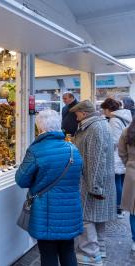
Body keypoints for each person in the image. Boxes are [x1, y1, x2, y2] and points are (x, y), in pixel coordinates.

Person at [15, 109, 83, 266]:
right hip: (70, 209)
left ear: (40, 128)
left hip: (46, 211)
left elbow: (21, 180)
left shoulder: (36, 150)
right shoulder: (73, 149)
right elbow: (79, 174)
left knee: (48, 253)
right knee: (68, 250)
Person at [70, 100, 116, 266]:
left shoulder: (95, 128)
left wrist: (95, 187)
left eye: (77, 114)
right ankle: (100, 249)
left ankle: (90, 254)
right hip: (95, 180)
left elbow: (97, 160)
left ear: (84, 113)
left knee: (86, 217)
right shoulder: (96, 126)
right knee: (97, 216)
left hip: (92, 181)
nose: (76, 118)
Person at [101, 98, 132, 219]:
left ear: (108, 109)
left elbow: (114, 140)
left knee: (116, 182)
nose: (104, 112)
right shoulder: (125, 116)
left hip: (116, 155)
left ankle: (118, 208)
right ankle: (122, 207)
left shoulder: (114, 120)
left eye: (104, 110)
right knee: (121, 182)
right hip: (124, 153)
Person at [118, 121, 135, 252]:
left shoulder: (127, 131)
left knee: (134, 210)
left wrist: (129, 163)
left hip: (132, 171)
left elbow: (122, 152)